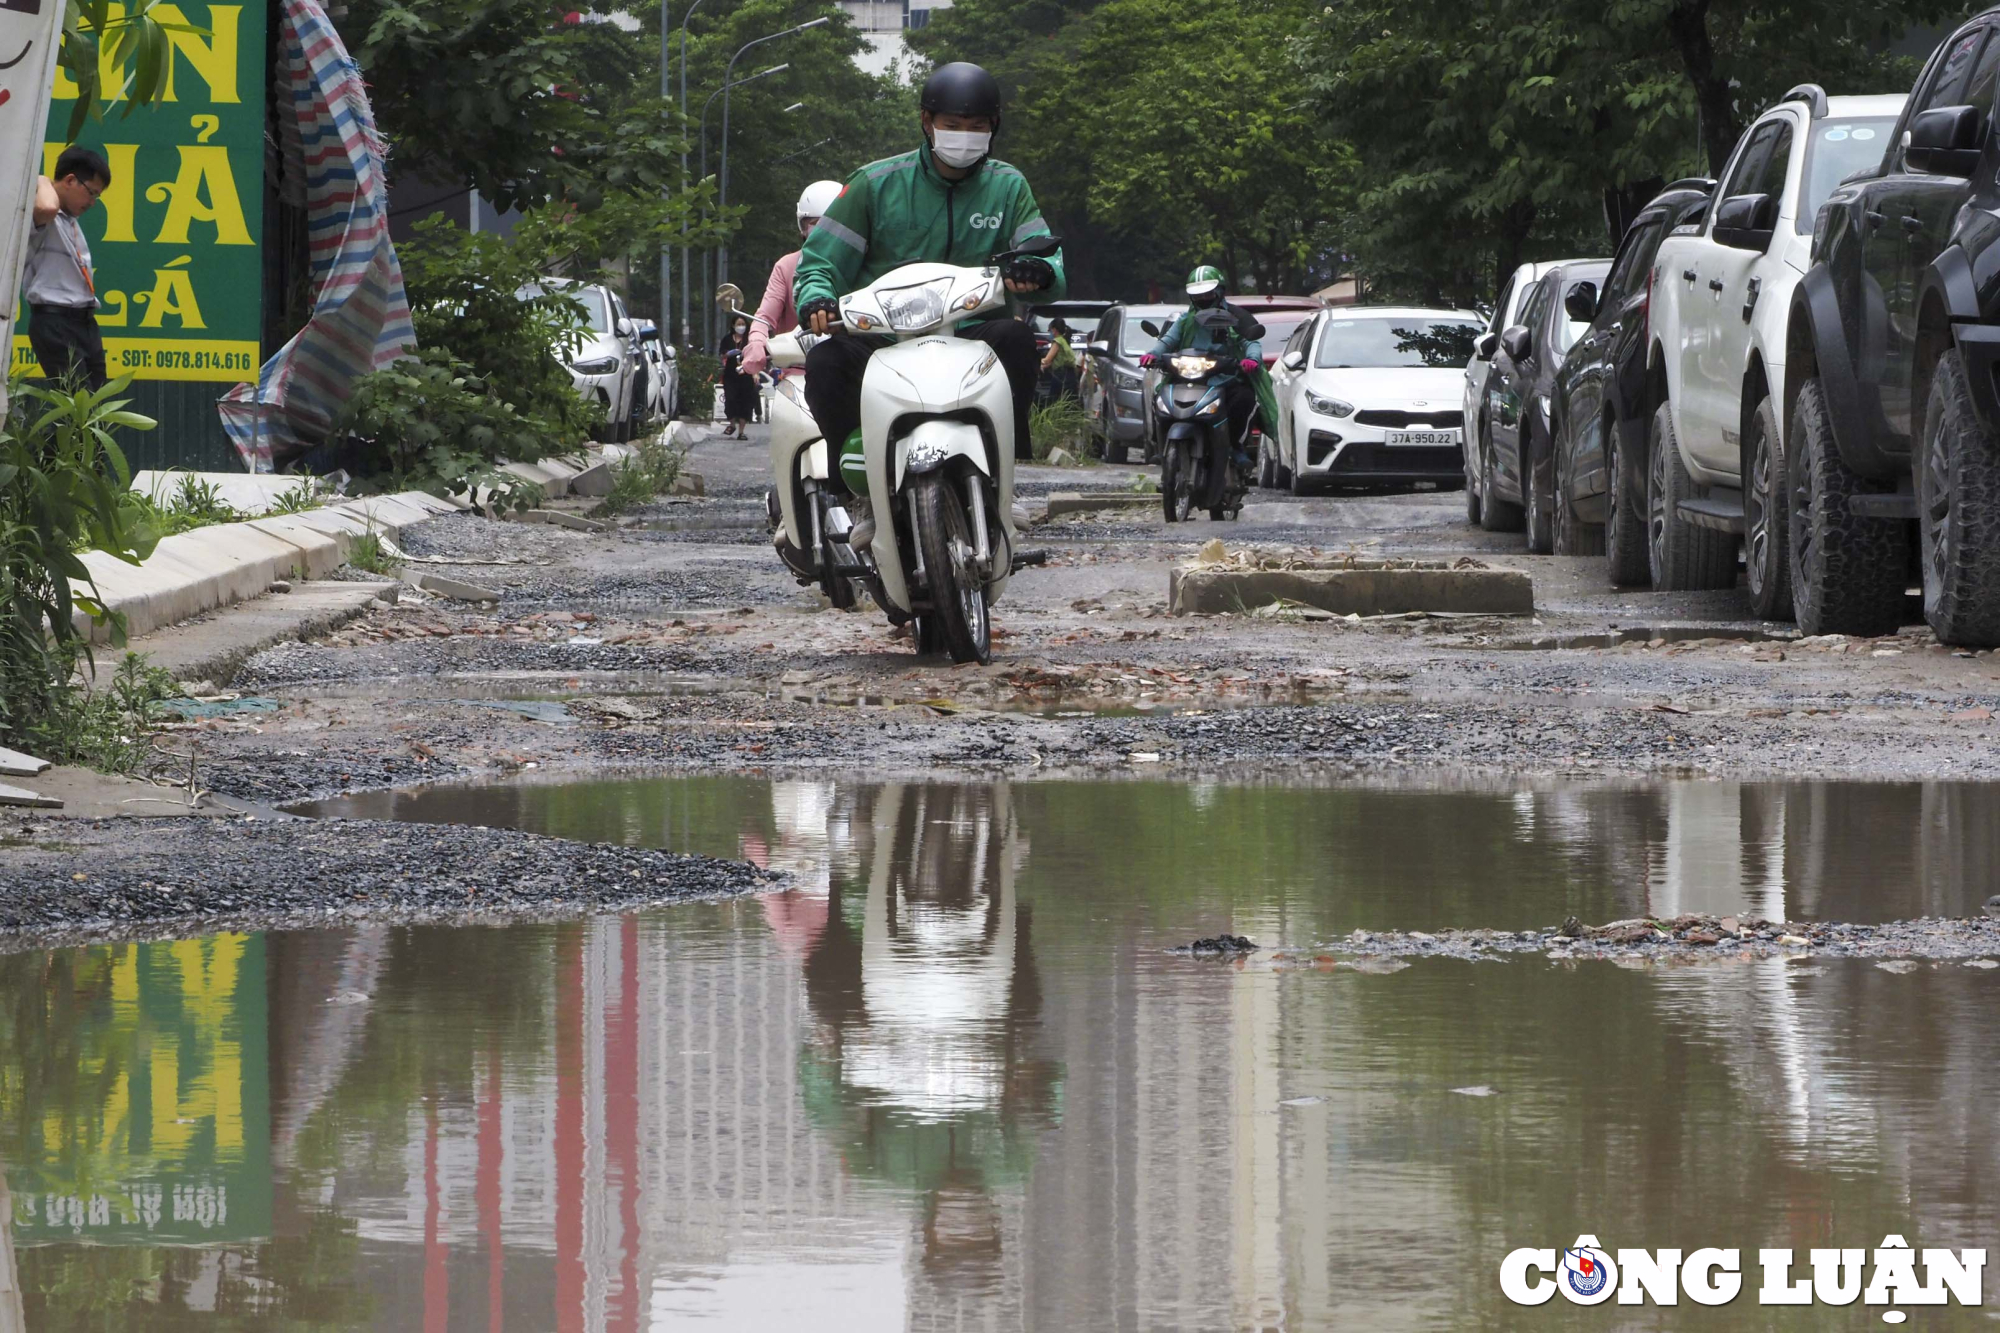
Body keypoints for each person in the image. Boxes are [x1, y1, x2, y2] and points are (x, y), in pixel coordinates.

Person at [794, 61, 1063, 545]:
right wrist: (816, 295)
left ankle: (1003, 476)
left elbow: (1042, 249)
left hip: (971, 333)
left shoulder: (1008, 186)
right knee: (827, 361)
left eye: (977, 127)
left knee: (1017, 338)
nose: (964, 136)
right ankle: (858, 490)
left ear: (993, 128)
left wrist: (1039, 270)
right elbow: (820, 260)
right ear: (926, 122)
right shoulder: (876, 184)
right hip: (881, 338)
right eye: (953, 126)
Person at [1142, 265, 1265, 463]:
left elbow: (1250, 342)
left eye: (1207, 294)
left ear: (1219, 291)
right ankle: (1161, 444)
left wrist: (1251, 359)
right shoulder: (1185, 320)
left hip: (1226, 376)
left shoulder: (1237, 317)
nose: (1202, 300)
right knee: (1160, 397)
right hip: (1187, 376)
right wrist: (1152, 355)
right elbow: (1167, 341)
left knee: (1245, 399)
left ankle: (1236, 446)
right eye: (1197, 296)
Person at [25, 146, 111, 391]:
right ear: (70, 180)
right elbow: (46, 208)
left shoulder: (70, 220)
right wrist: (41, 178)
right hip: (55, 320)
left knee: (95, 410)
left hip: (85, 322)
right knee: (75, 405)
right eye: (91, 193)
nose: (92, 203)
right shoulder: (42, 211)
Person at [743, 179, 843, 381]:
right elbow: (765, 317)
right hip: (798, 374)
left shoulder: (861, 266)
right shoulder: (786, 266)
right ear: (802, 226)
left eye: (832, 223)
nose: (824, 230)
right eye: (815, 223)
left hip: (852, 371)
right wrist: (756, 340)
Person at [719, 316, 758, 438]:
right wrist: (728, 354)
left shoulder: (750, 340)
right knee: (730, 399)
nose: (741, 326)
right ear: (733, 325)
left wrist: (755, 373)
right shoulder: (727, 339)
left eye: (743, 324)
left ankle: (741, 432)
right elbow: (722, 354)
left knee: (745, 402)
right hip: (731, 374)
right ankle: (732, 424)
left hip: (746, 375)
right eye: (738, 324)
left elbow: (755, 356)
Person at [1038, 316, 1077, 405]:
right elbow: (1053, 361)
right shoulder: (1064, 341)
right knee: (1067, 403)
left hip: (1061, 376)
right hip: (1069, 376)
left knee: (1053, 402)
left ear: (1054, 329)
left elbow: (1047, 360)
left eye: (1050, 330)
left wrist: (1032, 361)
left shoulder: (1057, 341)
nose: (1050, 333)